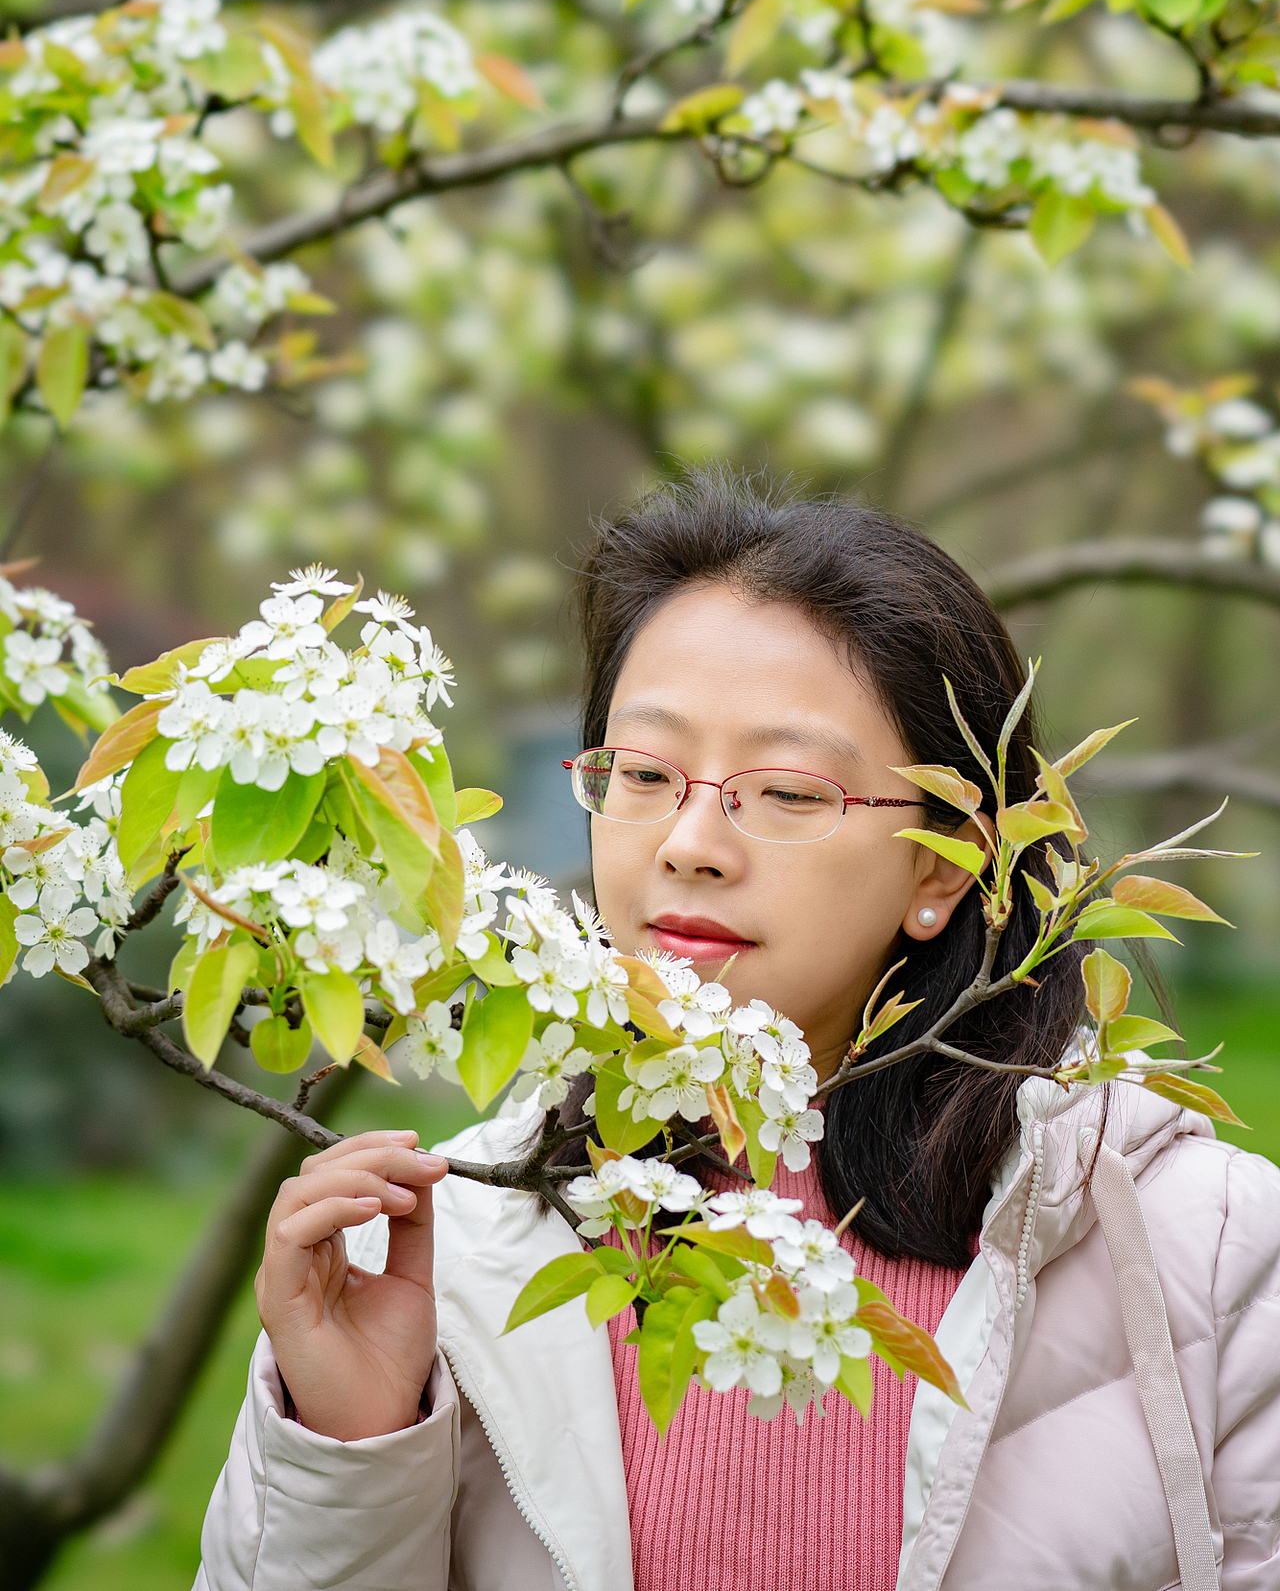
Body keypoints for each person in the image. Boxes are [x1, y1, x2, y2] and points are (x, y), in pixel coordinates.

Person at [196, 471, 1280, 1591]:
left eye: (789, 793)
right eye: (643, 772)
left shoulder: (1201, 1246)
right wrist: (353, 1450)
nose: (688, 844)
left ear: (945, 865)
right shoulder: (443, 1248)